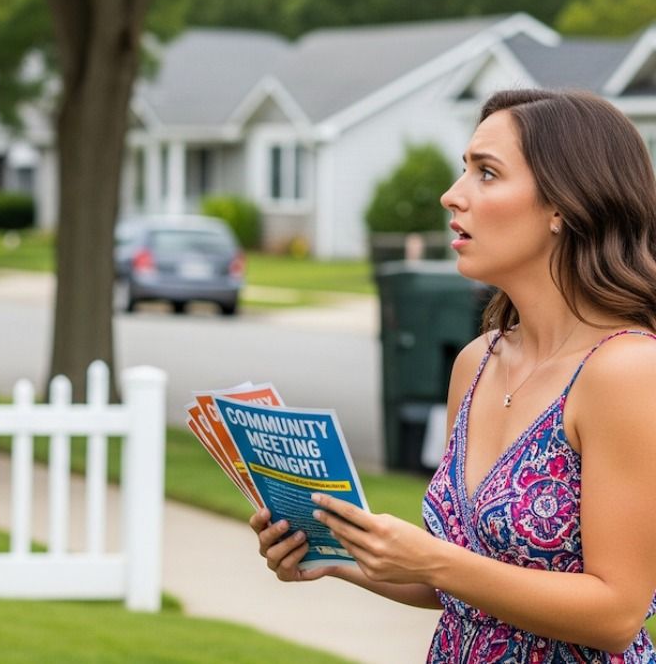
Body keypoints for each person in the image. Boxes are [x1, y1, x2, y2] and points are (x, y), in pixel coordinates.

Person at [252, 88, 656, 662]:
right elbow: (460, 585)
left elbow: (616, 613)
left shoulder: (627, 369)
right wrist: (335, 553)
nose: (451, 195)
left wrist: (431, 558)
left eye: (486, 173)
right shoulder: (478, 361)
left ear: (563, 206)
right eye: (463, 169)